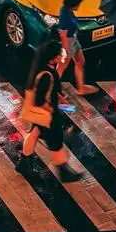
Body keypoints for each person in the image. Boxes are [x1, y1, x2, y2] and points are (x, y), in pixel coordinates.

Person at [17, 38, 81, 182]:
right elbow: (39, 99)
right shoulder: (46, 75)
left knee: (34, 133)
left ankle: (24, 164)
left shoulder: (45, 70)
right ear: (51, 57)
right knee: (56, 141)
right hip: (46, 114)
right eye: (59, 54)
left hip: (42, 114)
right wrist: (51, 109)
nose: (61, 56)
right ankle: (63, 172)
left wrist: (58, 96)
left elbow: (49, 90)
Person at [57, 0, 92, 95]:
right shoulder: (64, 14)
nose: (79, 6)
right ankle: (53, 90)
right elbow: (62, 34)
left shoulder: (69, 10)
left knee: (80, 61)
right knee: (61, 67)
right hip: (67, 42)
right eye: (79, 4)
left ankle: (81, 87)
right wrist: (65, 49)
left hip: (73, 39)